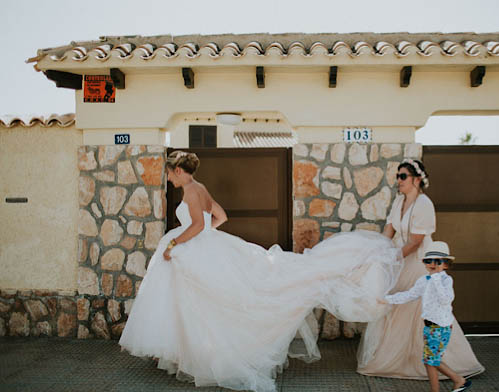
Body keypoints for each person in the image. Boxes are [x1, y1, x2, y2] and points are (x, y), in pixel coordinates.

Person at [120, 151, 403, 391]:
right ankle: (190, 354)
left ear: (179, 171)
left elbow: (196, 225)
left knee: (202, 303)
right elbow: (220, 217)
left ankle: (198, 355)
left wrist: (173, 243)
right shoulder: (201, 188)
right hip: (204, 246)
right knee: (204, 302)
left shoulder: (192, 191)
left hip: (192, 247)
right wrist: (206, 236)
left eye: (170, 174)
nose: (169, 178)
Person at [358, 159, 484, 379]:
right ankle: (397, 358)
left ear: (417, 179)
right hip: (401, 259)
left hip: (419, 261)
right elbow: (389, 229)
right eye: (397, 176)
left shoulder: (425, 204)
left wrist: (393, 257)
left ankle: (449, 362)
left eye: (403, 176)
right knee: (396, 307)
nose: (398, 180)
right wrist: (379, 250)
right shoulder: (399, 201)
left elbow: (416, 241)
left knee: (419, 307)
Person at [379, 241, 471, 392]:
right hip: (429, 326)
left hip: (440, 327)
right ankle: (456, 381)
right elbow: (410, 295)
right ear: (424, 263)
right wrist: (387, 299)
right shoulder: (423, 280)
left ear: (446, 265)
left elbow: (445, 299)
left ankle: (455, 382)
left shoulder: (446, 280)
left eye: (438, 261)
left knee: (431, 361)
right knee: (431, 360)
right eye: (428, 261)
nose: (432, 264)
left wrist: (436, 279)